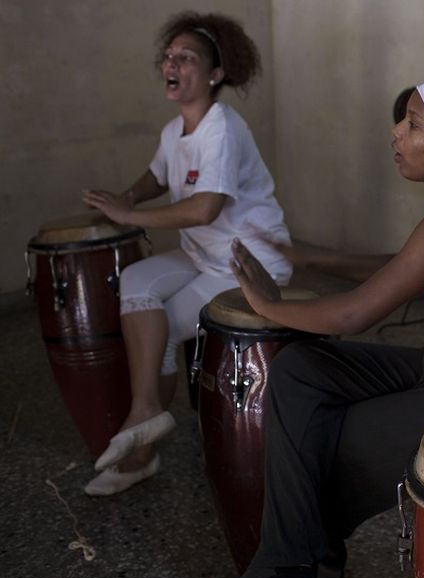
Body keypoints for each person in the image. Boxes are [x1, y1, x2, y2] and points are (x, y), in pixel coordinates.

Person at [229, 74, 424, 578]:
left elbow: (356, 315)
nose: (396, 133)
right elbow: (406, 264)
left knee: (330, 437)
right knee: (300, 369)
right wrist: (311, 257)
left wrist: (268, 305)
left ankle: (293, 565)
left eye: (413, 124)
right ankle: (305, 556)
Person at [80, 12, 292, 496]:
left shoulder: (222, 125)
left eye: (187, 58)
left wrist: (129, 217)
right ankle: (146, 420)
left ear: (216, 74)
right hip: (204, 256)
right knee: (136, 282)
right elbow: (158, 175)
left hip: (248, 263)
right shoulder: (176, 130)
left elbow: (205, 208)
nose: (172, 64)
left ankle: (140, 447)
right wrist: (128, 198)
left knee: (156, 332)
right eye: (169, 56)